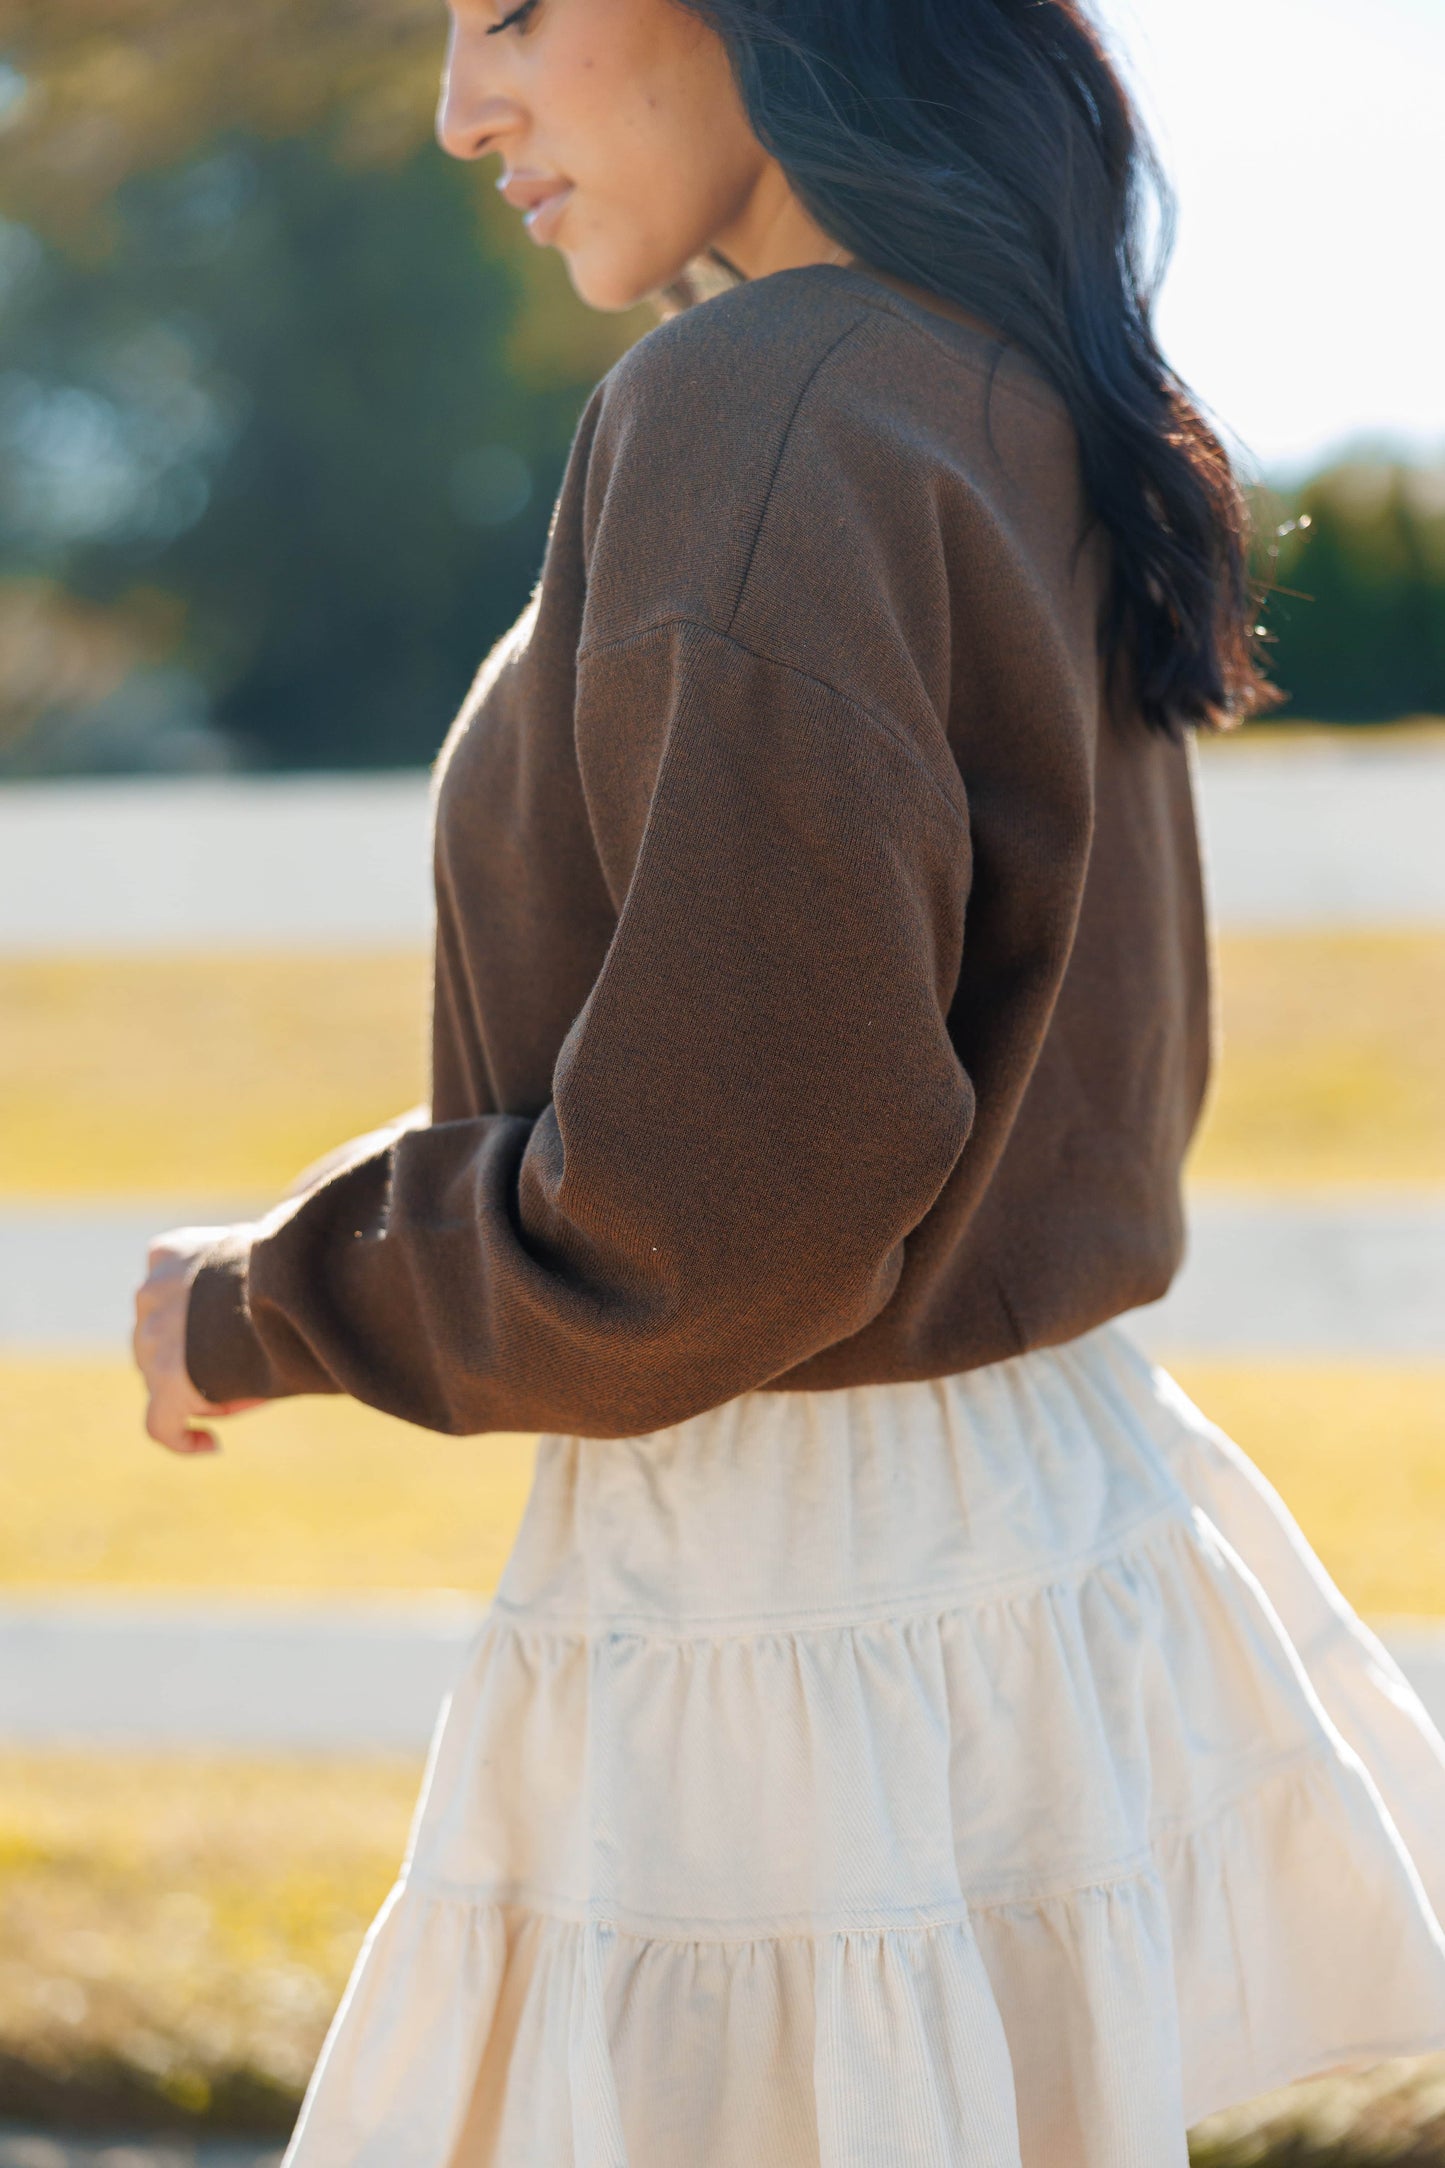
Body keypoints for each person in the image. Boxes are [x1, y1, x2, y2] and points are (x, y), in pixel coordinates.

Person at [131, 0, 1445, 2158]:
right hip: (1014, 1537)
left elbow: (718, 1216)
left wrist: (267, 1298)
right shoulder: (998, 374)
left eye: (516, 12)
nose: (464, 105)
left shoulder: (759, 404)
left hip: (790, 1598)